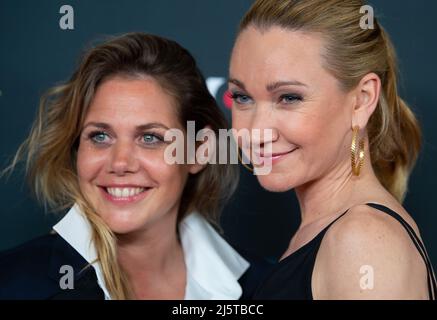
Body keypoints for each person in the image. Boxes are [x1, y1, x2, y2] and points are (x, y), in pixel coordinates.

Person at [0, 32, 265, 300]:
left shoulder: (267, 287)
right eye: (100, 136)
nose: (120, 163)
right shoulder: (11, 284)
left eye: (150, 138)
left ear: (199, 151)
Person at [229, 0, 436, 299]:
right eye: (242, 97)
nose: (256, 131)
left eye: (288, 97)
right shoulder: (326, 234)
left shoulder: (363, 242)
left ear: (362, 99)